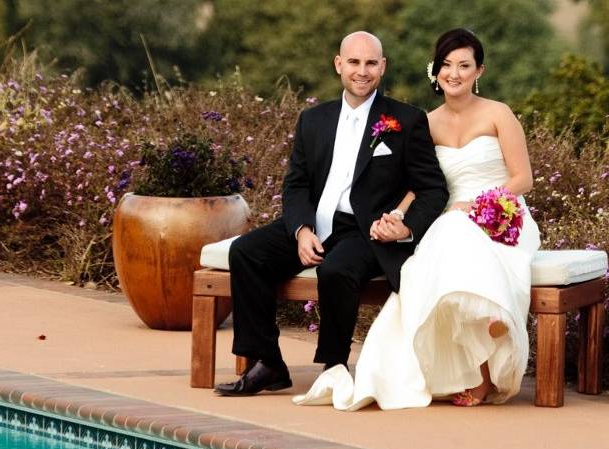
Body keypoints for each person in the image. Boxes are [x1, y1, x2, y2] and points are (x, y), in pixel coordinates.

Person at [294, 28, 541, 409]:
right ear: (435, 71)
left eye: (464, 65)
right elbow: (418, 184)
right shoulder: (425, 121)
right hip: (448, 216)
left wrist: (479, 207)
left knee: (457, 231)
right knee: (424, 262)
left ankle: (486, 359)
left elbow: (522, 177)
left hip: (501, 214)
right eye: (446, 65)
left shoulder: (498, 113)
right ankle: (469, 352)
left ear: (480, 71)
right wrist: (396, 214)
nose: (454, 74)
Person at [215, 31, 448, 397]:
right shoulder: (313, 120)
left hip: (364, 230)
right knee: (246, 252)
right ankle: (268, 362)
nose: (362, 71)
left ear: (382, 67)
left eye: (371, 63)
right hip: (316, 223)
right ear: (339, 65)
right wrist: (301, 230)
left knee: (336, 270)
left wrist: (405, 229)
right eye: (354, 62)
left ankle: (334, 366)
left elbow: (434, 188)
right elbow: (295, 185)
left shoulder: (406, 120)